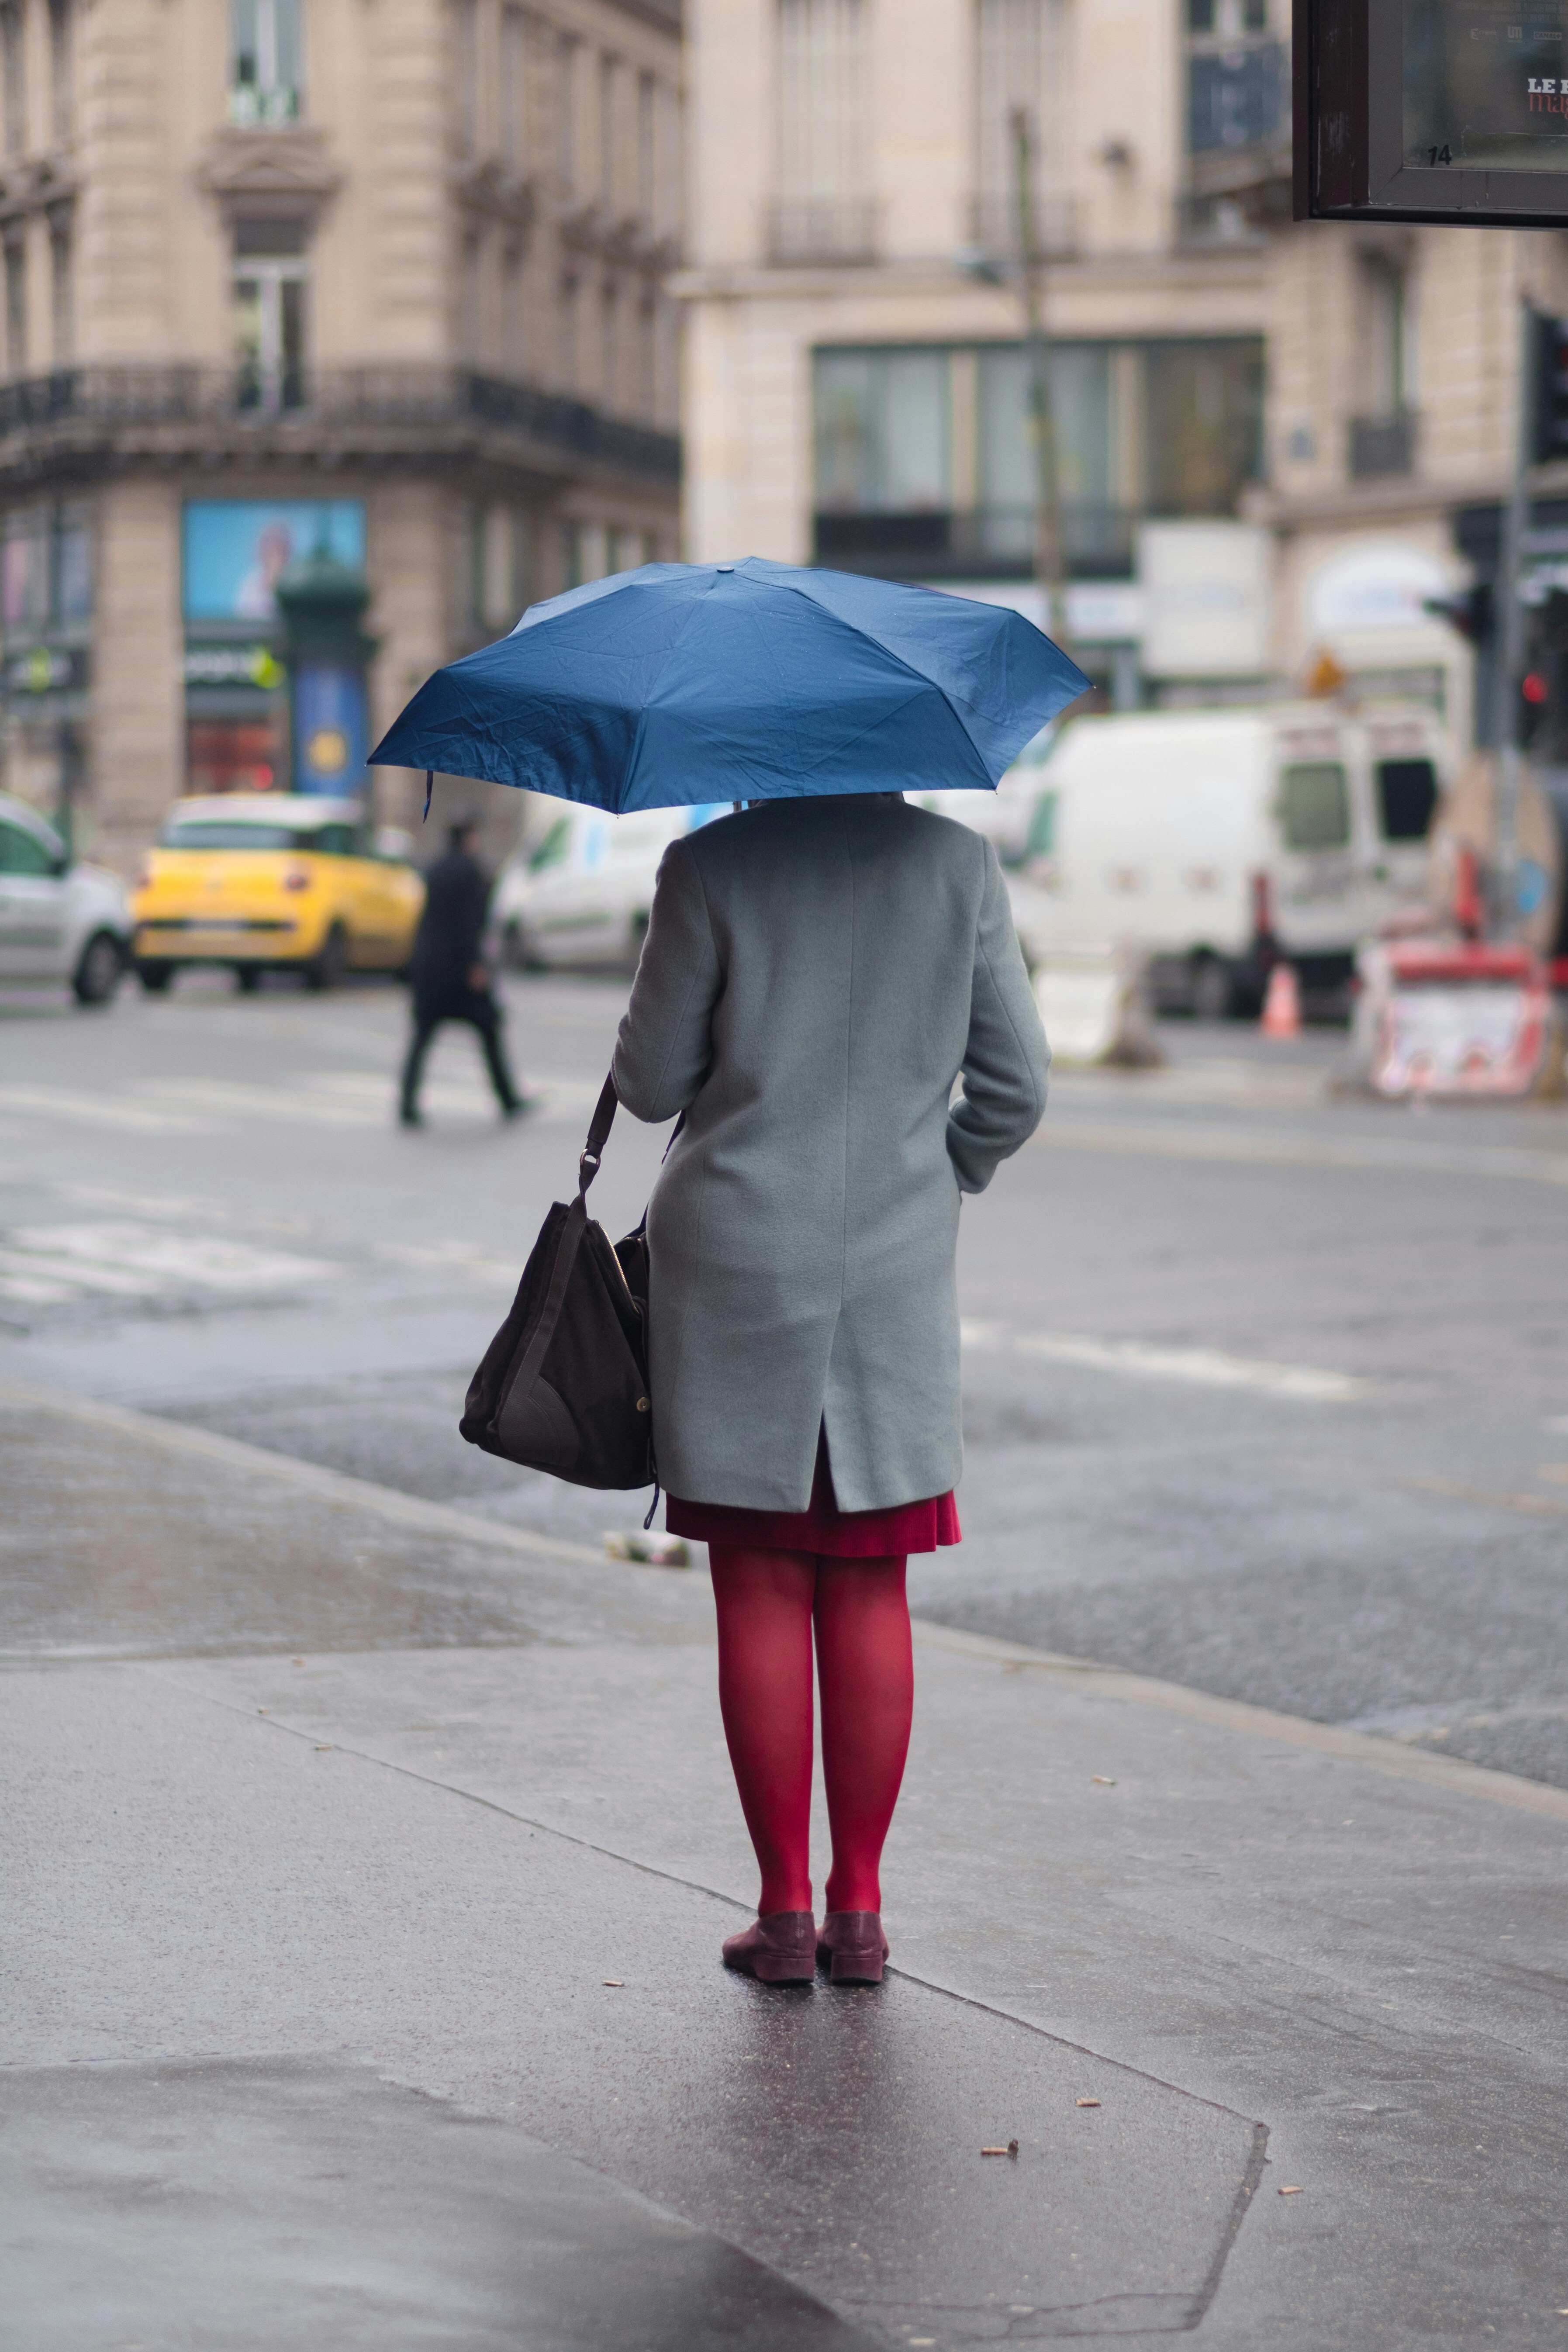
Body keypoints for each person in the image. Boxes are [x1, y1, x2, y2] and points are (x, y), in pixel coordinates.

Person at [611, 793, 1047, 1988]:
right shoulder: (957, 866)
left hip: (739, 1259)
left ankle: (782, 1913)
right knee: (868, 1585)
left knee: (755, 1585)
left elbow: (649, 1087)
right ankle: (858, 1912)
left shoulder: (709, 867)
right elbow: (1016, 1089)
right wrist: (926, 1175)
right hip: (891, 1270)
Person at [400, 816, 527, 1128]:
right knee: (488, 1028)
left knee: (422, 1037)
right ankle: (508, 1099)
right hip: (460, 972)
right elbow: (469, 925)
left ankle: (407, 1104)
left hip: (431, 970)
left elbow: (429, 921)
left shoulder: (435, 869)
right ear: (469, 838)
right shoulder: (471, 873)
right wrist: (476, 965)